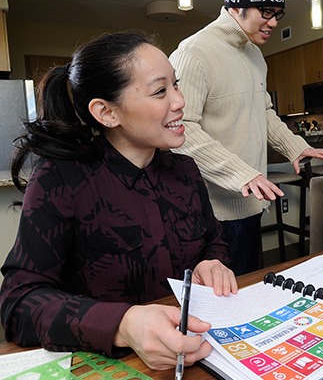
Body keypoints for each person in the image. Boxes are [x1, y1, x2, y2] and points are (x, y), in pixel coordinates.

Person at [0, 32, 237, 371]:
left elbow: (212, 241)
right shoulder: (60, 179)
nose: (180, 101)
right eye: (160, 91)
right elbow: (18, 303)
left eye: (176, 85)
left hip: (196, 354)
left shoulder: (185, 170)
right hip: (106, 365)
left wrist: (211, 263)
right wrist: (122, 324)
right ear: (107, 112)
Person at [169, 0, 323, 276]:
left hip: (251, 201)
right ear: (235, 6)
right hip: (214, 210)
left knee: (248, 287)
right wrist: (240, 173)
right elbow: (181, 129)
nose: (272, 23)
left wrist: (294, 145)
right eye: (266, 12)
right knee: (219, 302)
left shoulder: (254, 53)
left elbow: (264, 111)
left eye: (278, 14)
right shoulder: (194, 52)